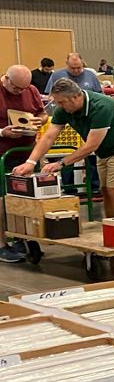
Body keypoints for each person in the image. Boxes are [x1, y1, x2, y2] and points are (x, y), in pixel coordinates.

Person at [13, 78, 114, 219]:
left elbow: (91, 145)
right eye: (57, 102)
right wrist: (30, 162)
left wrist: (61, 163)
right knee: (105, 190)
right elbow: (49, 136)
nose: (59, 106)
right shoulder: (63, 109)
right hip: (104, 150)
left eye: (61, 102)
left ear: (75, 97)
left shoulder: (101, 107)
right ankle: (112, 227)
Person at [0, 66, 48, 263]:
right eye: (17, 89)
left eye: (24, 88)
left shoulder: (31, 90)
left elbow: (43, 113)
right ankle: (2, 244)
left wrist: (39, 121)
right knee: (1, 200)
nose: (21, 92)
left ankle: (23, 237)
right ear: (7, 80)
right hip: (2, 154)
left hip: (26, 153)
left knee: (26, 198)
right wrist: (3, 132)